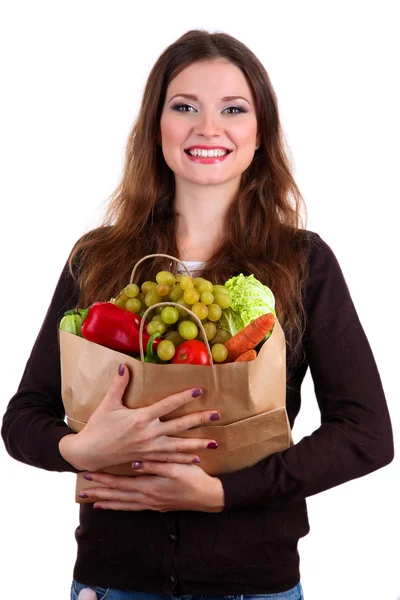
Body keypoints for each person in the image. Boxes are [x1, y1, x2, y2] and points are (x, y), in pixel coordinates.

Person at [1, 29, 394, 600]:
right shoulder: (98, 258)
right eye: (184, 107)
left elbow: (367, 435)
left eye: (233, 109)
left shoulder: (304, 263)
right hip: (114, 583)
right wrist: (78, 451)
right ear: (155, 128)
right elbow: (23, 418)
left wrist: (224, 494)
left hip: (253, 584)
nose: (208, 128)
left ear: (260, 135)